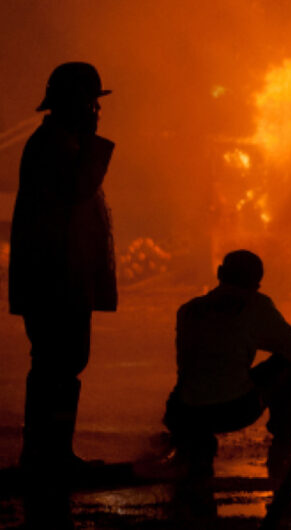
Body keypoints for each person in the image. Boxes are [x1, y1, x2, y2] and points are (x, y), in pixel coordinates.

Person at [8, 62, 117, 476]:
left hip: (59, 276)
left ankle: (50, 452)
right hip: (55, 279)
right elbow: (78, 190)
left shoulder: (59, 142)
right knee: (57, 364)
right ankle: (46, 456)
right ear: (74, 103)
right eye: (91, 103)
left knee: (60, 364)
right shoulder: (56, 146)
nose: (96, 112)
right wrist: (92, 145)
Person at [162, 250, 291, 481]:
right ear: (257, 284)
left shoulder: (188, 310)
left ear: (220, 273)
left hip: (184, 413)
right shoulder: (256, 307)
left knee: (198, 381)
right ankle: (283, 448)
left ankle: (188, 444)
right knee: (289, 367)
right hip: (231, 410)